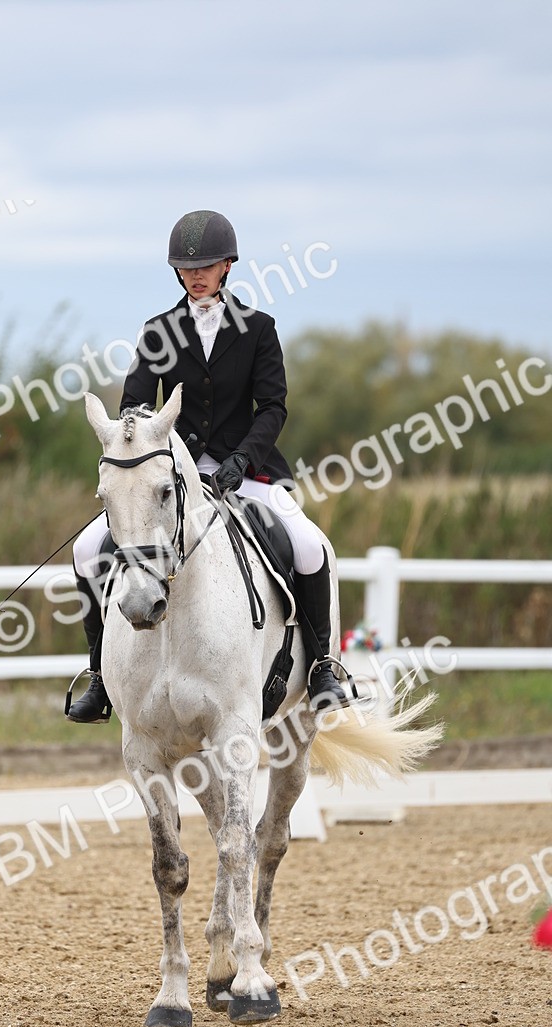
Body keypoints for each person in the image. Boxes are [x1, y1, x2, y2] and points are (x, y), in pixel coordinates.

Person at [67, 209, 348, 723]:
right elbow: (133, 405)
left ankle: (323, 666)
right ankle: (99, 677)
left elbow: (274, 408)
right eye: (186, 267)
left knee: (308, 546)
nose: (196, 274)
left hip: (247, 469)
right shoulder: (157, 331)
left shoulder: (259, 329)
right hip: (171, 474)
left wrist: (242, 459)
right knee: (88, 550)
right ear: (177, 271)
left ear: (228, 266)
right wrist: (152, 440)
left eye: (207, 265)